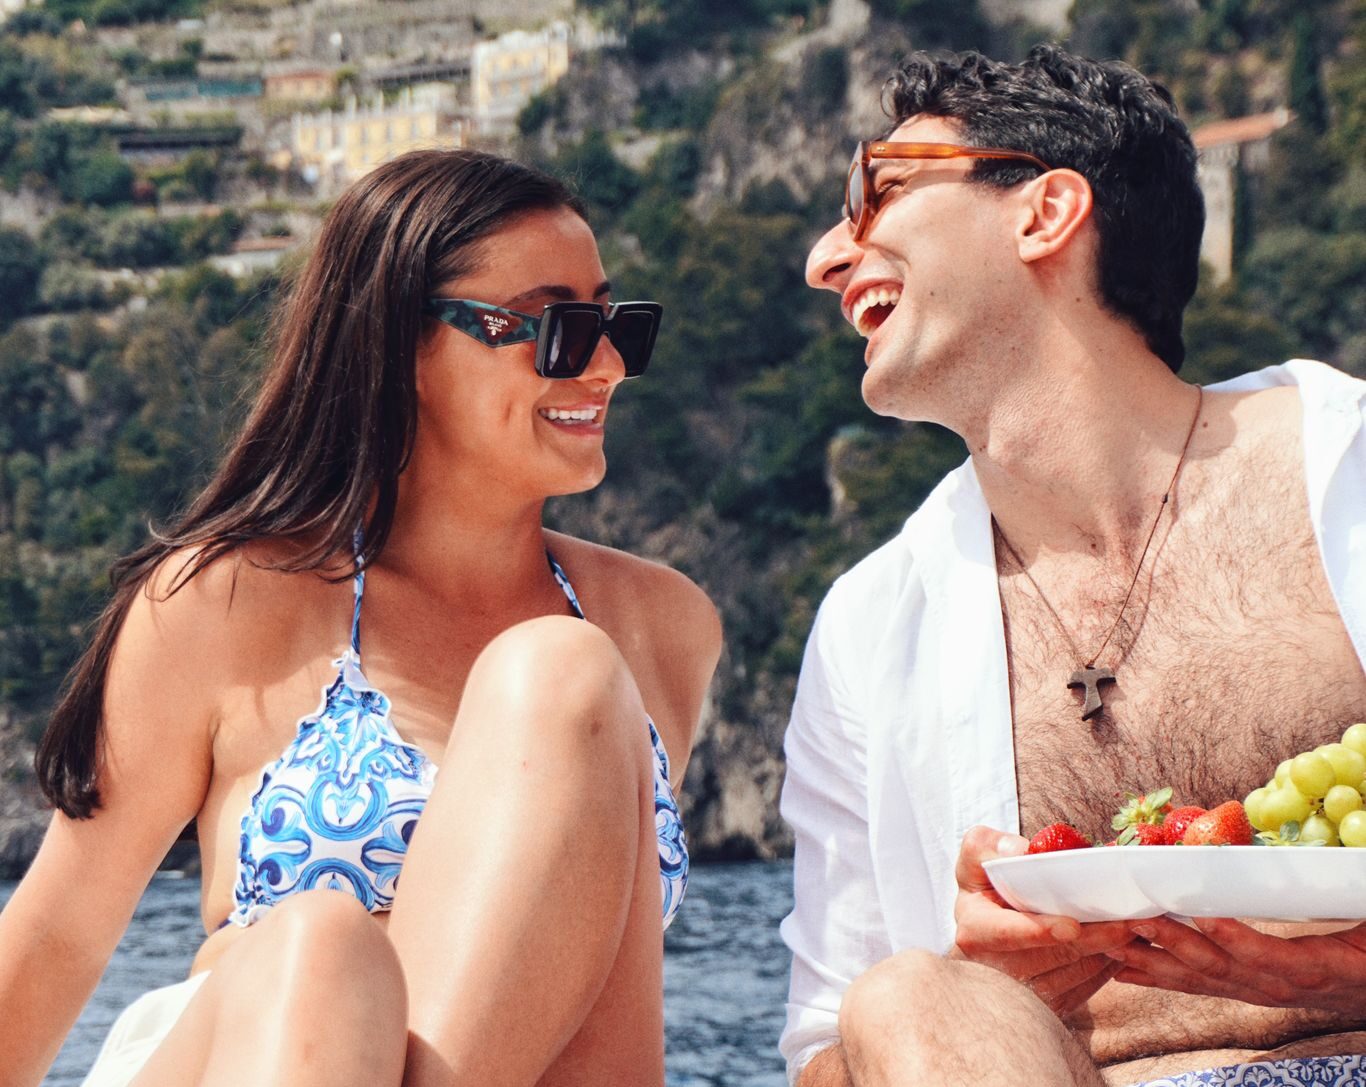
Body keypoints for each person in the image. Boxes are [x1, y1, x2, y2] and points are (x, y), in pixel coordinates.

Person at [0, 148, 722, 1087]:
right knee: (323, 948)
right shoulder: (227, 597)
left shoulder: (658, 625)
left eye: (615, 324)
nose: (610, 365)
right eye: (558, 327)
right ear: (404, 343)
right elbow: (57, 936)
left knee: (563, 673)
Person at [780, 43, 1366, 1087]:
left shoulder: (1348, 474)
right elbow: (824, 1056)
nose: (827, 257)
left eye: (876, 192)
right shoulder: (870, 624)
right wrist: (986, 990)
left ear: (1044, 211)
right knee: (906, 992)